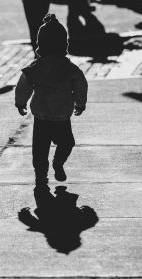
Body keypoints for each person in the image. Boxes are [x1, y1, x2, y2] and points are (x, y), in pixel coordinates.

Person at [15, 14, 88, 187]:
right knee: (67, 142)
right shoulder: (70, 68)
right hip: (62, 115)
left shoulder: (36, 67)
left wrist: (20, 102)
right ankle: (58, 162)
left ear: (40, 44)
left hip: (41, 115)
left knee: (39, 151)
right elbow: (80, 85)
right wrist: (80, 102)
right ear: (64, 44)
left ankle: (41, 176)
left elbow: (24, 84)